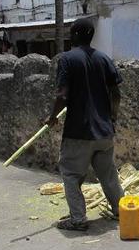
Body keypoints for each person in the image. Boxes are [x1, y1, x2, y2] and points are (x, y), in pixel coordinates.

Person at [46, 18, 124, 231]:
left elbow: (62, 95)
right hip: (104, 133)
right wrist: (112, 119)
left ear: (76, 35)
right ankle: (121, 211)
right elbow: (116, 94)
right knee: (108, 174)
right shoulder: (104, 59)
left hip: (78, 132)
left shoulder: (67, 59)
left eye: (71, 32)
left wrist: (52, 117)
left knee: (71, 174)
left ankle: (78, 219)